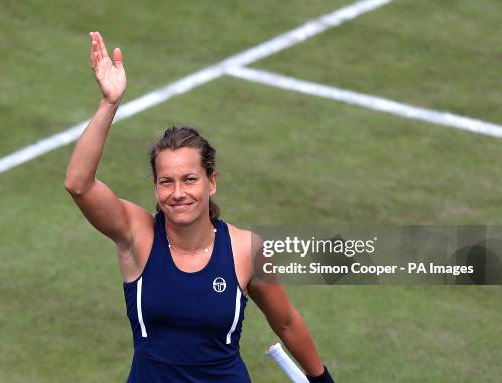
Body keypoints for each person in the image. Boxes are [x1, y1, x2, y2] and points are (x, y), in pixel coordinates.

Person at [64, 31, 335, 383]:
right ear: (156, 186)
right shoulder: (137, 235)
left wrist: (321, 379)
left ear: (212, 181)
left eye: (190, 179)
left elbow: (286, 321)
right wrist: (109, 103)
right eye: (167, 181)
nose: (178, 193)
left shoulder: (245, 250)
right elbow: (78, 184)